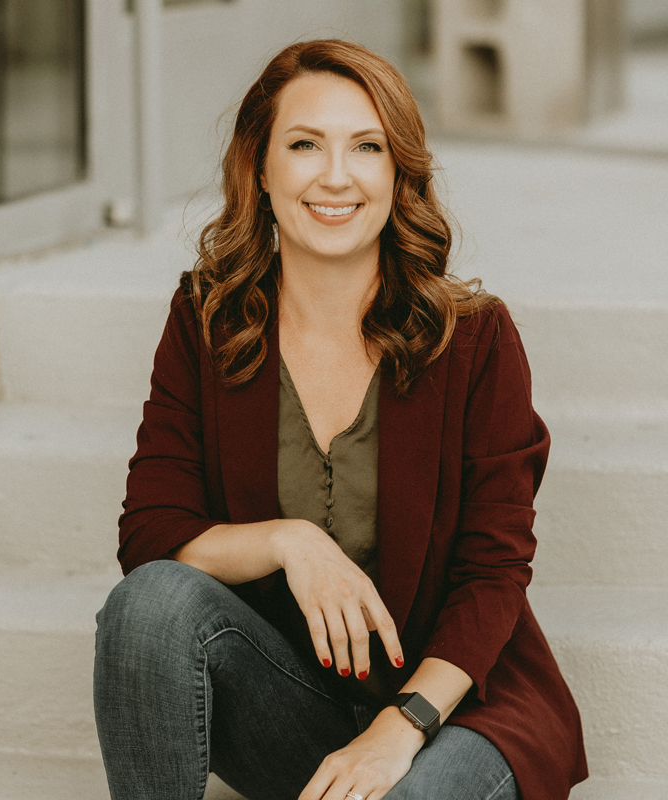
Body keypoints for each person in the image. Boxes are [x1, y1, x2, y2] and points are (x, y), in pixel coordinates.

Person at [93, 39, 588, 800]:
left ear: (398, 174)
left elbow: (493, 576)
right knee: (148, 606)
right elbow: (151, 536)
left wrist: (398, 731)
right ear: (260, 168)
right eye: (304, 145)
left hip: (454, 710)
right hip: (294, 704)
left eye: (366, 147)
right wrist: (291, 543)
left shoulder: (476, 338)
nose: (335, 176)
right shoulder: (209, 320)